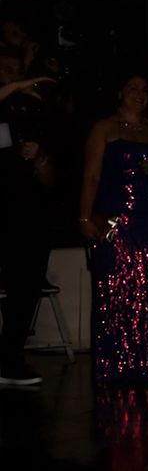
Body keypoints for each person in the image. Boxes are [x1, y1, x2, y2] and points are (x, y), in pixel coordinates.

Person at [79, 73, 148, 382]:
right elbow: (90, 176)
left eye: (145, 89)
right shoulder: (104, 128)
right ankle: (114, 367)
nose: (139, 94)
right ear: (120, 93)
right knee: (115, 292)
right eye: (132, 88)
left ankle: (145, 364)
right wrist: (85, 217)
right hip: (117, 221)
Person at [0, 46, 55, 386]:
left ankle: (10, 359)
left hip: (27, 215)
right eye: (5, 70)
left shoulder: (32, 111)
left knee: (25, 286)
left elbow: (51, 176)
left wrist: (40, 157)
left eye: (17, 70)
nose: (15, 77)